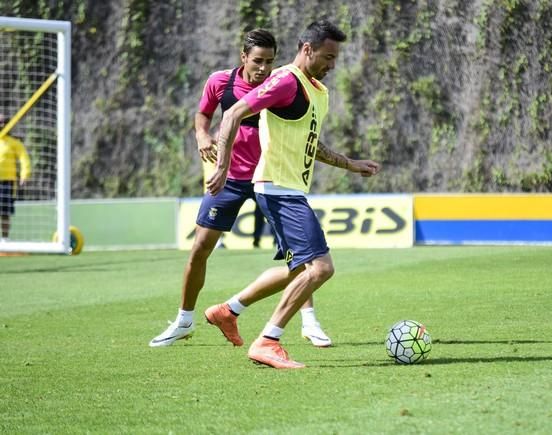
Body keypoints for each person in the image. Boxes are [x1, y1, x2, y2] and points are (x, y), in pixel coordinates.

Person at [204, 19, 381, 369]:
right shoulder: (285, 81)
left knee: (297, 269)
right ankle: (268, 340)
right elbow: (236, 112)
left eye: (335, 59)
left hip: (289, 189)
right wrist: (222, 165)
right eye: (328, 57)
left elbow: (311, 143)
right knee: (321, 268)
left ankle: (228, 310)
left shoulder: (316, 90)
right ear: (307, 49)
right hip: (278, 189)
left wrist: (349, 164)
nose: (332, 65)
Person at [149, 29, 331, 348]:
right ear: (243, 57)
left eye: (270, 61)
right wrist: (202, 137)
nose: (263, 68)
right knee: (200, 247)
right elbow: (203, 114)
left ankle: (309, 322)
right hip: (231, 178)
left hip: (269, 178)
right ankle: (183, 320)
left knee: (302, 259)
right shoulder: (220, 82)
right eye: (258, 61)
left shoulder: (282, 85)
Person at [0, 114, 31, 242]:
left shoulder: (14, 142)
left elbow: (24, 159)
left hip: (7, 182)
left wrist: (25, 174)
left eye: (4, 122)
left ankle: (5, 239)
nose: (2, 124)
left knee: (4, 212)